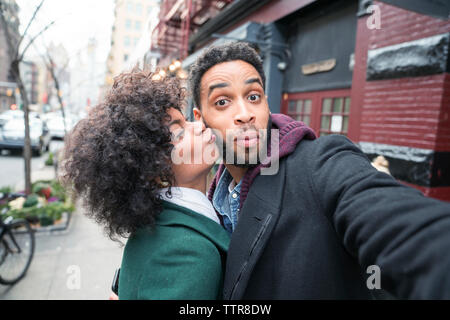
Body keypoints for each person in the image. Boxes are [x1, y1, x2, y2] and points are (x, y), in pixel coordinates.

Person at [189, 42, 450, 299]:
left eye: (253, 97)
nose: (245, 114)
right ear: (199, 118)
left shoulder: (320, 161)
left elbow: (394, 221)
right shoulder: (212, 198)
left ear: (267, 104)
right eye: (222, 101)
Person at [60, 69, 230, 300]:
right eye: (179, 133)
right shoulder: (186, 252)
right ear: (154, 169)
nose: (199, 126)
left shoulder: (166, 227)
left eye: (186, 120)